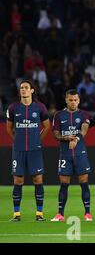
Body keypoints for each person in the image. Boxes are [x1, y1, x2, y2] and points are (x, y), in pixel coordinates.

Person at [6, 80, 51, 221]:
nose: (23, 90)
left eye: (26, 88)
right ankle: (16, 214)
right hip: (18, 150)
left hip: (34, 150)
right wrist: (16, 139)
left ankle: (39, 214)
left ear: (32, 90)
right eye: (21, 88)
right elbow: (8, 128)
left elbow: (47, 126)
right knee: (18, 180)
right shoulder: (13, 108)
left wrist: (38, 140)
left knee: (38, 179)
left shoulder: (40, 107)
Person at [50, 89, 92, 222]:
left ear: (79, 100)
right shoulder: (58, 115)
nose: (73, 102)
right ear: (66, 100)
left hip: (80, 153)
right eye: (70, 100)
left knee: (84, 183)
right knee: (64, 184)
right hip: (65, 154)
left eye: (75, 100)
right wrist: (65, 137)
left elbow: (84, 130)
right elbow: (55, 134)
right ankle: (60, 214)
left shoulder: (84, 114)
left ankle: (87, 213)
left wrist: (76, 139)